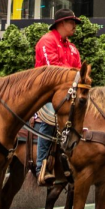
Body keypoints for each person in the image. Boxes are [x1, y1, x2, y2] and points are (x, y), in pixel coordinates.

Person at [32, 10, 81, 182]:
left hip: (67, 93)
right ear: (61, 23)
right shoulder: (47, 41)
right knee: (50, 118)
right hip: (45, 92)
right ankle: (41, 167)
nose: (74, 26)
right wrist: (72, 74)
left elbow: (78, 72)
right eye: (71, 22)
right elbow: (52, 71)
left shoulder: (72, 48)